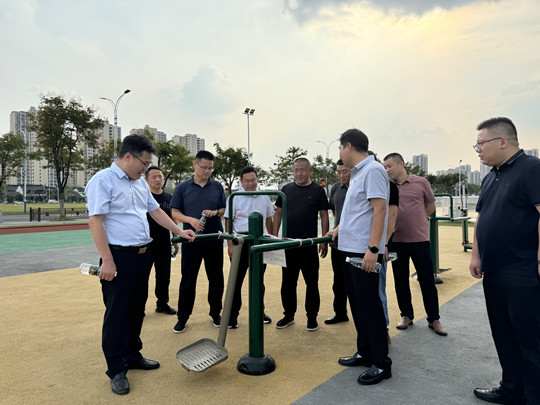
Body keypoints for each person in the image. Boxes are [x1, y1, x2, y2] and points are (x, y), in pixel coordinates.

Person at [85, 135, 195, 395]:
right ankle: (116, 369)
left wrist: (178, 231)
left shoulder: (138, 183)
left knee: (137, 310)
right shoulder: (103, 180)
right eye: (144, 163)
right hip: (118, 257)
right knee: (117, 314)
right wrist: (107, 260)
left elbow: (156, 211)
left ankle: (133, 355)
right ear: (128, 156)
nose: (146, 169)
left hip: (142, 255)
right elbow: (95, 221)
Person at [469, 117, 540, 405]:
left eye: (480, 143)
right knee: (503, 334)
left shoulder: (532, 169)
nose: (477, 150)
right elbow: (481, 218)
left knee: (530, 339)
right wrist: (476, 254)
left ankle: (533, 396)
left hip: (523, 271)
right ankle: (511, 388)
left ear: (502, 141)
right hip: (494, 269)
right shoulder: (490, 177)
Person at [327, 128, 392, 385]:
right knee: (357, 305)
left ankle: (381, 363)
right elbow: (356, 211)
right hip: (349, 248)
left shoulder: (373, 170)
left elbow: (380, 210)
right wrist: (338, 229)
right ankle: (365, 352)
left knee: (370, 307)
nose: (340, 152)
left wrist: (373, 249)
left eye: (340, 147)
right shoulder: (357, 173)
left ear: (349, 146)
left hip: (363, 251)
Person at [383, 152, 447, 337]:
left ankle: (434, 318)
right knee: (400, 281)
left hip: (419, 241)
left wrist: (418, 220)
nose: (387, 170)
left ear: (401, 164)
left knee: (427, 281)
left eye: (389, 166)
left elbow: (431, 206)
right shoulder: (387, 186)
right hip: (396, 242)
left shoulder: (421, 182)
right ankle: (406, 315)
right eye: (384, 167)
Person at [170, 150, 226, 333]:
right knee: (188, 279)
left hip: (214, 239)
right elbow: (175, 212)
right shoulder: (182, 188)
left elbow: (223, 209)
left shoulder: (217, 186)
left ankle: (216, 313)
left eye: (211, 168)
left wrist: (215, 213)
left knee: (216, 278)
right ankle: (183, 317)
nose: (207, 171)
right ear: (195, 165)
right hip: (191, 240)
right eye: (204, 167)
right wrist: (191, 220)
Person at [273, 157, 330, 331]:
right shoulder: (286, 190)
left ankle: (312, 317)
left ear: (310, 171)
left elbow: (324, 215)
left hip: (309, 245)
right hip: (289, 245)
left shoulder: (318, 190)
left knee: (311, 283)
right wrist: (274, 238)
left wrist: (324, 240)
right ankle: (288, 315)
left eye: (302, 170)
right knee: (288, 283)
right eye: (296, 170)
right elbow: (278, 214)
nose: (298, 173)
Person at [223, 166, 275, 328]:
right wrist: (230, 245)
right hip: (240, 243)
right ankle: (232, 317)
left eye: (253, 180)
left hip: (259, 242)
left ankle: (259, 312)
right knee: (236, 281)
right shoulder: (235, 197)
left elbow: (269, 219)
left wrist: (272, 240)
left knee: (258, 280)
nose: (251, 183)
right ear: (241, 181)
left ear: (257, 180)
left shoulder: (264, 197)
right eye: (247, 181)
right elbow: (228, 221)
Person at [145, 166, 178, 315]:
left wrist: (175, 240)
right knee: (142, 276)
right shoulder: (144, 197)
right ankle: (139, 307)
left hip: (164, 243)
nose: (158, 179)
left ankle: (162, 304)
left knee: (164, 276)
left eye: (160, 176)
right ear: (147, 180)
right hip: (146, 244)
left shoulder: (168, 198)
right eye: (154, 177)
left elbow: (172, 220)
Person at [325, 159, 350, 325]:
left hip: (355, 243)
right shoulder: (335, 188)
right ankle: (340, 312)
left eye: (344, 171)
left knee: (355, 282)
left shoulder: (359, 187)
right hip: (337, 242)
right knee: (338, 280)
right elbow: (334, 211)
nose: (341, 175)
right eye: (338, 172)